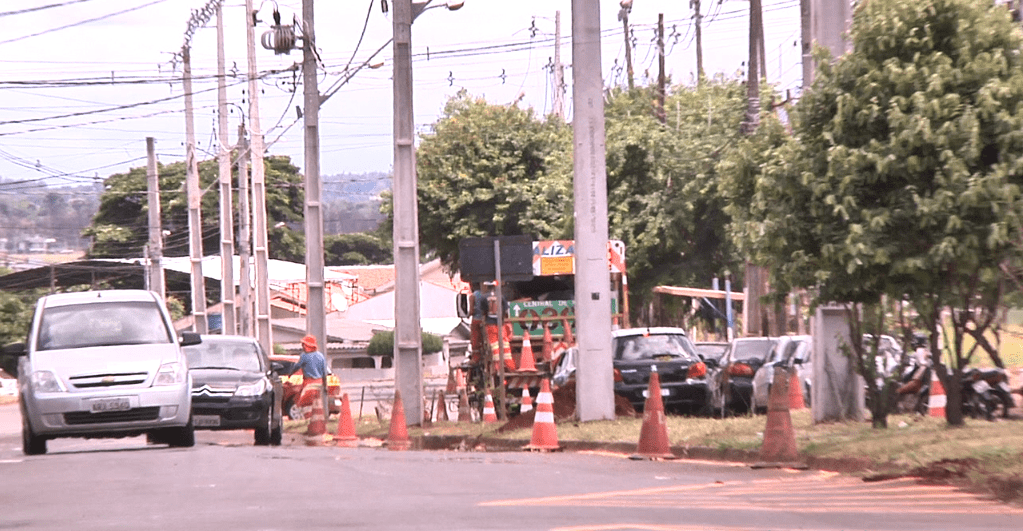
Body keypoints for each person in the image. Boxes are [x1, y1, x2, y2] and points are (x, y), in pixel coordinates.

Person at [290, 335, 329, 416]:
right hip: (319, 383)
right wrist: (325, 386)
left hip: (309, 383)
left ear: (308, 345)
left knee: (304, 403)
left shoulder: (304, 356)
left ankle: (309, 419)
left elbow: (297, 366)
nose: (302, 347)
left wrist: (290, 374)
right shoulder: (321, 356)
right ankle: (316, 418)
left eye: (304, 344)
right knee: (315, 402)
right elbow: (324, 373)